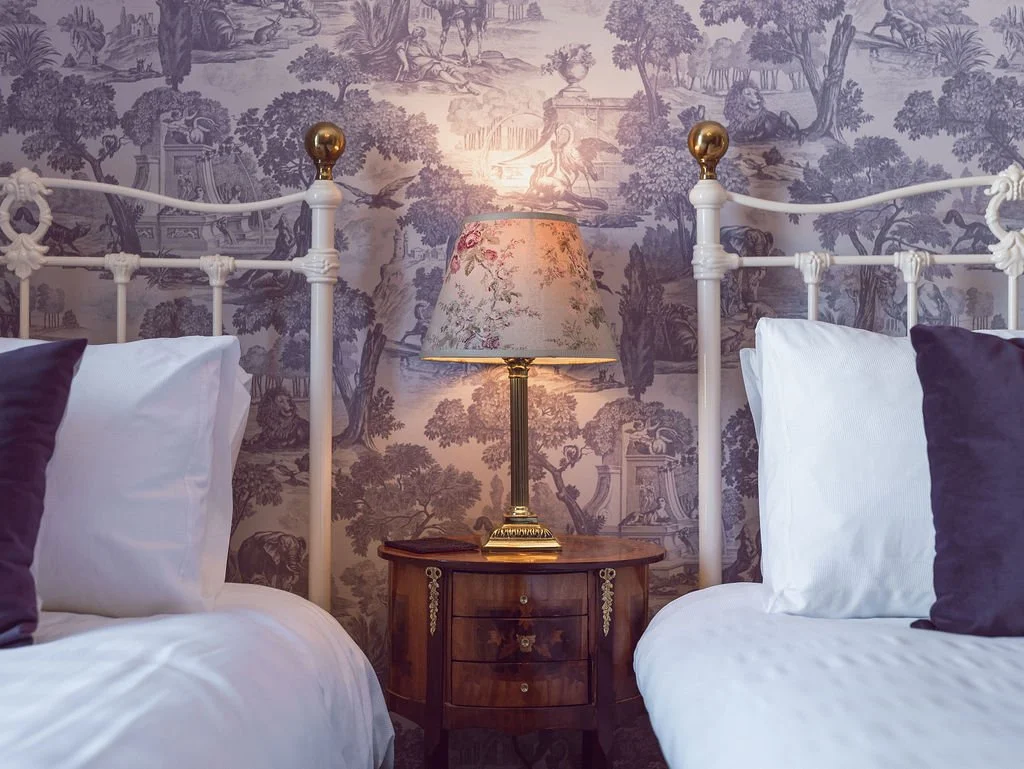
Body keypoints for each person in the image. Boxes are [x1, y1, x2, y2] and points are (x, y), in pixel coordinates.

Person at [395, 27, 479, 94]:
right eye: (415, 29)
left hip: (429, 62)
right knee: (437, 67)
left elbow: (437, 55)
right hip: (418, 67)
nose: (414, 30)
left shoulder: (425, 43)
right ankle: (457, 83)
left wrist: (452, 61)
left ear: (421, 34)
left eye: (417, 29)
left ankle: (467, 85)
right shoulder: (406, 42)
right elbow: (400, 51)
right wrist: (405, 64)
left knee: (447, 66)